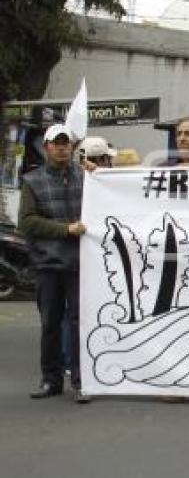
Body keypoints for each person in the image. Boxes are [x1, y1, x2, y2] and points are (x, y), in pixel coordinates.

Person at [19, 124, 90, 404]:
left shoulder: (87, 177)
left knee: (78, 323)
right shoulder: (32, 180)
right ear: (46, 147)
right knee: (50, 323)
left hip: (80, 265)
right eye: (56, 143)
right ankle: (51, 379)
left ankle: (83, 381)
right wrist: (65, 230)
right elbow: (27, 221)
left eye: (66, 143)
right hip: (48, 265)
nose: (62, 147)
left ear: (71, 147)